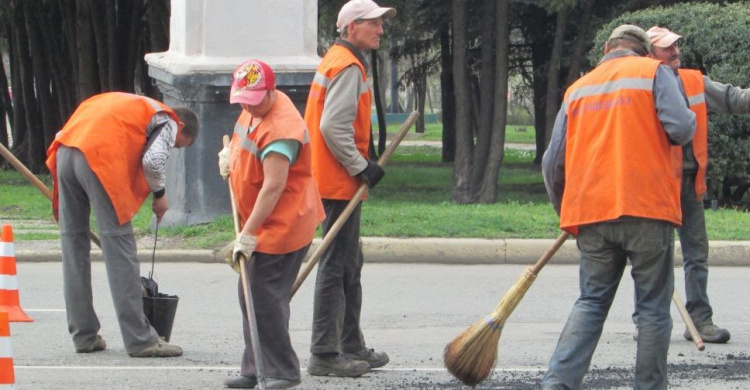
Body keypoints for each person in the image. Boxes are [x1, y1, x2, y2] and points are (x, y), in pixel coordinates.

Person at [540, 25, 696, 389]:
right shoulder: (653, 72)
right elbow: (682, 128)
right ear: (644, 51)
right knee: (653, 309)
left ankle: (557, 384)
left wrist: (566, 209)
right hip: (646, 209)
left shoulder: (578, 89)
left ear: (607, 48)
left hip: (592, 214)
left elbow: (552, 162)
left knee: (591, 303)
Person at [45, 92, 199, 357]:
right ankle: (141, 340)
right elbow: (152, 160)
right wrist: (160, 197)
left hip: (65, 153)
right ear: (182, 127)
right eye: (177, 146)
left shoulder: (128, 106)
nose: (171, 149)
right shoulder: (168, 119)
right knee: (120, 250)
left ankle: (84, 336)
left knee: (73, 246)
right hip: (98, 159)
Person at [218, 59, 325, 389]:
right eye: (242, 100)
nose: (247, 106)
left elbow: (274, 185)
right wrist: (230, 161)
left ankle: (283, 371)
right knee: (250, 293)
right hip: (264, 220)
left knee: (263, 295)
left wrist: (248, 234)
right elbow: (244, 143)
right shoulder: (255, 106)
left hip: (285, 223)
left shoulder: (282, 128)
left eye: (252, 100)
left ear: (271, 91)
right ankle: (255, 367)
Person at [303, 0, 396, 378]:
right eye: (374, 23)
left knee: (348, 263)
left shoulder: (337, 61)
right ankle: (325, 353)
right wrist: (362, 166)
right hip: (338, 180)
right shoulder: (347, 66)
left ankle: (350, 344)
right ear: (352, 27)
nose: (381, 30)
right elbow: (332, 127)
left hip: (333, 177)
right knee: (337, 264)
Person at [640, 26, 750, 344]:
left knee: (696, 255)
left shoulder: (692, 81)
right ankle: (649, 322)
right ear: (650, 54)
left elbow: (733, 98)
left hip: (688, 182)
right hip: (656, 184)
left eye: (676, 47)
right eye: (667, 48)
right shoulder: (641, 84)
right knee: (652, 257)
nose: (675, 52)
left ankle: (700, 320)